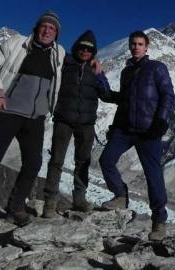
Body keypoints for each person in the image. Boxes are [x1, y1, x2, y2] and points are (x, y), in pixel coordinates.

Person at [0, 11, 65, 234]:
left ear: (56, 34)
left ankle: (16, 207)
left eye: (52, 28)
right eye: (44, 26)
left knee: (33, 163)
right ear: (37, 28)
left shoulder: (60, 53)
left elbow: (74, 68)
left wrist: (93, 61)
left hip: (35, 118)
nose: (47, 31)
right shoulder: (16, 44)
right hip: (6, 113)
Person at [99, 30, 175, 241]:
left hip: (149, 131)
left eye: (140, 44)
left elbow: (168, 95)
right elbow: (123, 100)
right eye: (133, 44)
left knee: (153, 176)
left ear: (146, 46)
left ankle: (159, 221)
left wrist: (161, 121)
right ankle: (121, 196)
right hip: (125, 130)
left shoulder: (157, 68)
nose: (135, 47)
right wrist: (100, 82)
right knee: (106, 160)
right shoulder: (126, 72)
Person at [42, 30, 110, 218]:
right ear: (76, 47)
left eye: (89, 49)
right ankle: (50, 202)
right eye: (82, 47)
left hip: (86, 123)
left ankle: (79, 199)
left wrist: (100, 74)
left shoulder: (94, 69)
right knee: (56, 160)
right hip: (64, 119)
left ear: (93, 51)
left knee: (83, 162)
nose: (85, 51)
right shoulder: (65, 64)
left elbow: (105, 93)